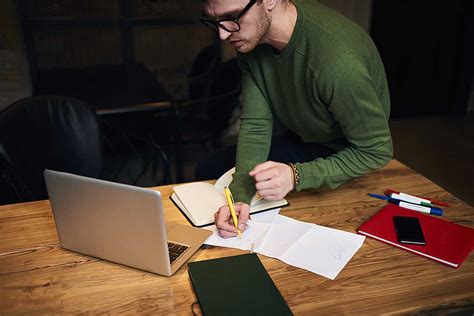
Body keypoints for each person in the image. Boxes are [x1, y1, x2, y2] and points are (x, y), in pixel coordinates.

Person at [197, 0, 393, 238]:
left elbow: (377, 150)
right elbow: (256, 124)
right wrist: (239, 197)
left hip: (347, 151)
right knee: (209, 167)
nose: (223, 33)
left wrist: (295, 175)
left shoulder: (337, 62)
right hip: (304, 135)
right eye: (214, 20)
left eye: (234, 16)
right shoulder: (251, 37)